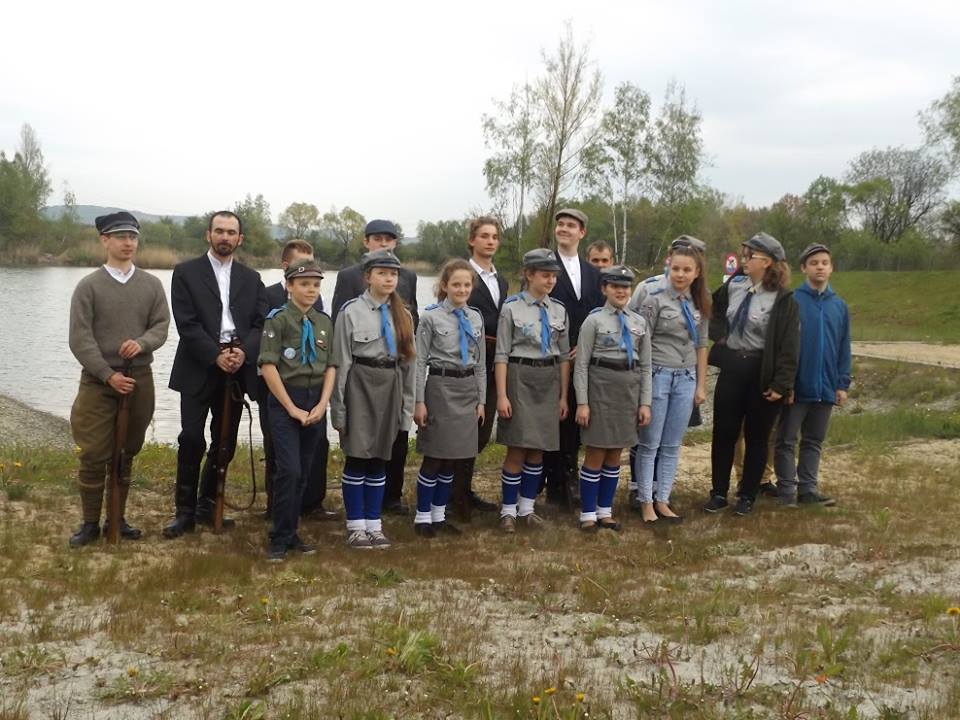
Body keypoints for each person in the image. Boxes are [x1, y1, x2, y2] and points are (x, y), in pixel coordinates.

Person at [67, 212, 170, 546]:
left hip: (139, 378)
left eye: (133, 237)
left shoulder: (151, 285)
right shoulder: (89, 286)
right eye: (121, 237)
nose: (128, 243)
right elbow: (80, 339)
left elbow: (161, 326)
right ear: (105, 240)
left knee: (126, 452)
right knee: (93, 453)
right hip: (98, 382)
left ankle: (117, 518)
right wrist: (107, 375)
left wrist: (142, 343)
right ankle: (89, 524)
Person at [164, 211, 268, 538]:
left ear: (240, 239)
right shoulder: (186, 272)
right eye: (219, 231)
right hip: (198, 365)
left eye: (231, 232)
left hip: (236, 368)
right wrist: (214, 355)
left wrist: (243, 352)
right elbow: (187, 323)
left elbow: (260, 323)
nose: (225, 237)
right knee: (191, 438)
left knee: (225, 443)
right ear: (208, 235)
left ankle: (208, 504)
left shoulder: (252, 278)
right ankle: (184, 513)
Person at [704, 232, 799, 517]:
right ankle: (718, 493)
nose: (743, 260)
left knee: (757, 437)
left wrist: (781, 384)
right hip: (733, 368)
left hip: (761, 373)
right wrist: (719, 334)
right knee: (724, 433)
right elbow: (711, 308)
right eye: (743, 255)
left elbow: (789, 346)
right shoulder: (735, 285)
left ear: (767, 262)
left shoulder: (783, 299)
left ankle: (747, 495)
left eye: (750, 256)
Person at [331, 219, 418, 516]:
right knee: (358, 456)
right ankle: (356, 523)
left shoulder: (404, 315)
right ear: (368, 277)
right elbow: (341, 362)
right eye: (382, 273)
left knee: (382, 457)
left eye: (393, 274)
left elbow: (409, 366)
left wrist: (407, 410)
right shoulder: (350, 312)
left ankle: (373, 521)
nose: (389, 279)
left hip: (391, 387)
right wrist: (339, 410)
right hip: (360, 386)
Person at [258, 262, 336, 561]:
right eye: (304, 284)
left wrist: (322, 404)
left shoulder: (324, 322)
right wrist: (291, 408)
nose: (311, 290)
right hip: (285, 400)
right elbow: (268, 367)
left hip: (314, 400)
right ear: (289, 286)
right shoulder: (278, 320)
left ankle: (291, 532)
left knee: (304, 472)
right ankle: (279, 537)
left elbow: (331, 366)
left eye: (316, 285)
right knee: (288, 470)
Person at [626, 235, 707, 509]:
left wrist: (701, 385)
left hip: (686, 377)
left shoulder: (700, 300)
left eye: (687, 270)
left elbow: (701, 344)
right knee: (650, 444)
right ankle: (645, 501)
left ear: (697, 273)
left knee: (672, 445)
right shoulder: (654, 297)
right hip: (658, 374)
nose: (680, 274)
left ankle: (663, 500)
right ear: (668, 267)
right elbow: (642, 341)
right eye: (676, 268)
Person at [495, 248, 571, 532]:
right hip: (520, 377)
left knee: (538, 448)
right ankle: (508, 510)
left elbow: (564, 356)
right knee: (517, 447)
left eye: (553, 276)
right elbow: (501, 354)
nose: (550, 281)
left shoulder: (559, 310)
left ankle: (527, 508)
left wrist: (563, 396)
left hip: (548, 380)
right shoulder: (511, 308)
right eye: (544, 275)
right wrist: (502, 395)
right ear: (528, 275)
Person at [574, 265, 651, 532]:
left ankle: (605, 511)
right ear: (604, 289)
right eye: (615, 286)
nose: (621, 291)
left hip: (627, 393)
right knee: (596, 451)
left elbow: (646, 366)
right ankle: (587, 513)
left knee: (616, 453)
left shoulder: (639, 322)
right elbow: (581, 365)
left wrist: (645, 402)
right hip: (600, 393)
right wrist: (582, 403)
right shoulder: (593, 321)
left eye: (626, 287)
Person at [773, 243, 851, 507]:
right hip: (796, 387)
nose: (820, 267)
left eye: (824, 263)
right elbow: (783, 346)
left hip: (826, 387)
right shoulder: (792, 301)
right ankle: (786, 492)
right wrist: (786, 384)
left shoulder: (839, 306)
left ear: (831, 268)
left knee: (813, 440)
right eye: (814, 263)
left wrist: (842, 384)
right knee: (786, 440)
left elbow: (844, 347)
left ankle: (808, 490)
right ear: (804, 268)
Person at [412, 259, 486, 538]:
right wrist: (419, 401)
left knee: (454, 458)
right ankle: (422, 516)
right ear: (444, 286)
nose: (462, 289)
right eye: (456, 284)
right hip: (440, 388)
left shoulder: (475, 317)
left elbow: (480, 363)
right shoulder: (430, 317)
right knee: (435, 456)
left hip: (467, 389)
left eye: (467, 285)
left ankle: (439, 515)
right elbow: (419, 362)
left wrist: (481, 400)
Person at [543, 208, 604, 507]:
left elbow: (600, 312)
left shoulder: (593, 273)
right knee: (557, 418)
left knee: (578, 419)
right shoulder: (545, 266)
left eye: (571, 225)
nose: (564, 229)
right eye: (561, 224)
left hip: (586, 357)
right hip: (554, 355)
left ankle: (570, 476)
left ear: (582, 232)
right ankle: (554, 481)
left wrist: (587, 344)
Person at [451, 217, 507, 518]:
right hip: (467, 360)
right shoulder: (462, 275)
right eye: (484, 236)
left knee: (482, 431)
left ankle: (464, 489)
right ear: (472, 240)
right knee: (462, 430)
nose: (490, 241)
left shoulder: (501, 281)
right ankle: (452, 496)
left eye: (494, 237)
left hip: (495, 361)